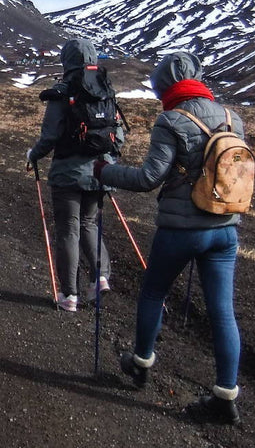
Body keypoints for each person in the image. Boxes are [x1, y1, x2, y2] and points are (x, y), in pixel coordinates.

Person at [96, 51, 245, 424]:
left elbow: (149, 178)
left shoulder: (172, 120)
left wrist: (106, 172)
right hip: (225, 229)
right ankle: (226, 395)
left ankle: (141, 362)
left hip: (181, 231)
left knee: (153, 292)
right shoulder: (232, 118)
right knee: (222, 312)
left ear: (167, 86)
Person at [26, 38, 118, 312]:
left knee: (68, 229)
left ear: (67, 60)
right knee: (89, 223)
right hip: (100, 171)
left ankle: (69, 295)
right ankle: (100, 277)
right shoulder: (106, 89)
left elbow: (50, 136)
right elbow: (117, 131)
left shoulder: (62, 91)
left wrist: (33, 155)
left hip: (68, 172)